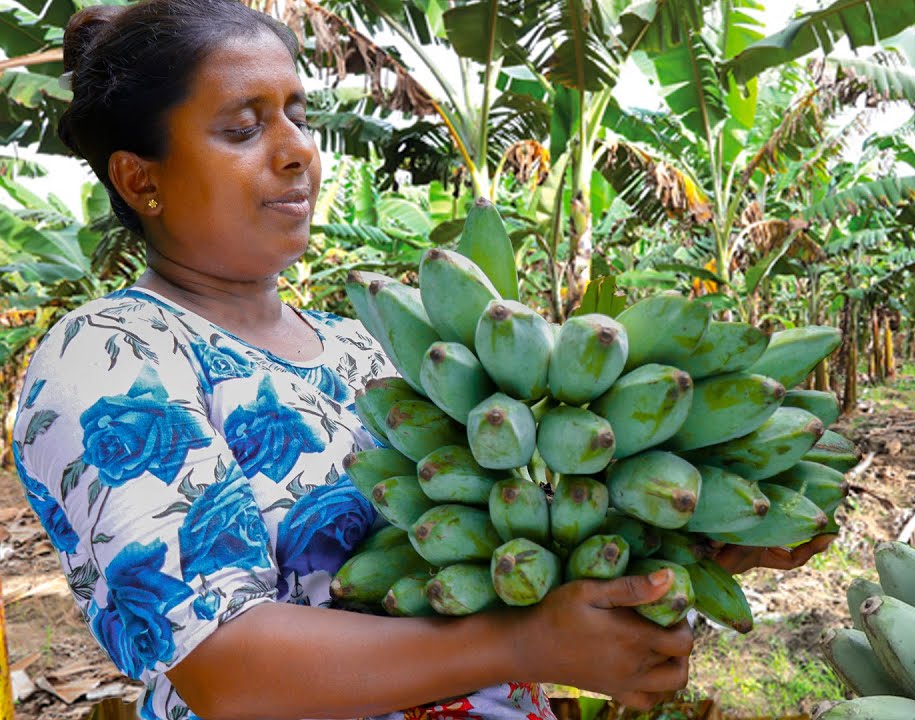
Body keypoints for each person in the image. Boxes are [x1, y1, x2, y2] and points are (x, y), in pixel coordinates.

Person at [10, 2, 836, 719]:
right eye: (243, 126)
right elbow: (221, 667)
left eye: (300, 114)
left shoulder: (365, 343)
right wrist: (522, 643)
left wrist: (708, 536)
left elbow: (500, 546)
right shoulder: (113, 355)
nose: (297, 150)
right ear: (139, 178)